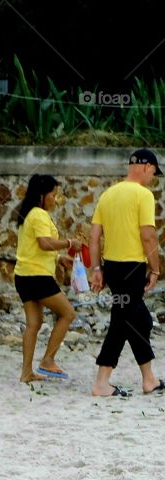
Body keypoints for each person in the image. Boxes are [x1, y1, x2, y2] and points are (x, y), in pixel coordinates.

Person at [89, 148, 163, 397]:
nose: (153, 177)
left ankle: (149, 379)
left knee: (137, 319)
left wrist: (97, 268)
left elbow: (95, 237)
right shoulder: (143, 195)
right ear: (145, 166)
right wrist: (155, 268)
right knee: (124, 321)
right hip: (132, 267)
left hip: (112, 266)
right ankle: (102, 382)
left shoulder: (108, 194)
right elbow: (148, 234)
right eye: (154, 172)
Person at [13, 175, 84, 383]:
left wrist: (60, 258)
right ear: (42, 195)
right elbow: (45, 243)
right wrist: (70, 243)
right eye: (53, 194)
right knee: (68, 313)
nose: (55, 199)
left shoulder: (28, 214)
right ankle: (48, 359)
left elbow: (35, 247)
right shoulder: (39, 215)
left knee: (33, 324)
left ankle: (26, 373)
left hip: (23, 276)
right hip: (38, 277)